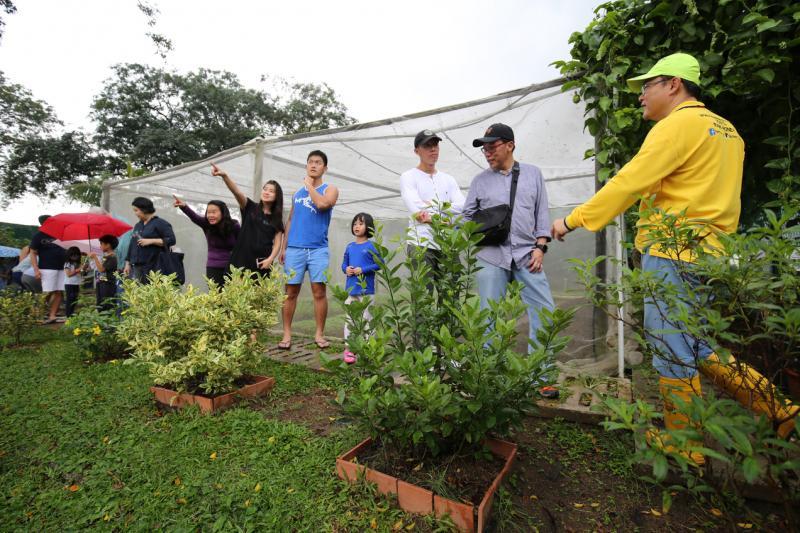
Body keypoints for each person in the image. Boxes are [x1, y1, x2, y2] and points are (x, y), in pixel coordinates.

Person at [551, 52, 795, 457]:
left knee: (671, 347)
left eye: (647, 86)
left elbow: (629, 182)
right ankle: (780, 409)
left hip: (674, 250)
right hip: (713, 254)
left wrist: (572, 220)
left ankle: (685, 446)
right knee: (693, 342)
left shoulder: (676, 126)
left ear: (674, 84)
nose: (641, 95)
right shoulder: (728, 132)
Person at [463, 123, 555, 358]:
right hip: (491, 256)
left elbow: (541, 213)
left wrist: (540, 247)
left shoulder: (533, 174)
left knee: (545, 313)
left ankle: (541, 373)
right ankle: (489, 373)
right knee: (489, 318)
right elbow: (466, 217)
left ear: (510, 145)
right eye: (484, 149)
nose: (487, 153)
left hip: (527, 254)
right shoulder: (479, 181)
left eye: (492, 147)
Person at [279, 150, 339, 350]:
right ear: (306, 166)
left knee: (319, 292)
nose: (313, 165)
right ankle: (286, 333)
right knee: (290, 292)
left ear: (325, 168)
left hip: (318, 250)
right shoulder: (297, 194)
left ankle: (319, 334)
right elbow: (290, 220)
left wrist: (309, 186)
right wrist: (284, 247)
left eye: (318, 162)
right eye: (310, 162)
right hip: (294, 249)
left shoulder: (330, 189)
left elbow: (322, 204)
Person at [400, 130, 465, 281]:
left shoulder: (449, 179)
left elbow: (463, 206)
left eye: (435, 145)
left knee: (452, 292)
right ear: (417, 151)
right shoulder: (408, 177)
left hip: (448, 244)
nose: (433, 149)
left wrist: (437, 206)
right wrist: (448, 220)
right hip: (421, 244)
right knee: (423, 293)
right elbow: (417, 211)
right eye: (427, 146)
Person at [213, 164, 284, 279]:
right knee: (237, 289)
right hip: (240, 261)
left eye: (271, 191)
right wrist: (225, 176)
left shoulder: (277, 219)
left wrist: (270, 259)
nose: (266, 192)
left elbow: (277, 243)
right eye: (265, 189)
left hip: (261, 264)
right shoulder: (250, 207)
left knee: (259, 290)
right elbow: (237, 192)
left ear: (277, 196)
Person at [173, 195, 241, 286]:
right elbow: (194, 217)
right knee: (215, 293)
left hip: (233, 268)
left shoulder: (234, 225)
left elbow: (242, 245)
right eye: (208, 212)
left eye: (214, 212)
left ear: (223, 212)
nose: (210, 215)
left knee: (232, 293)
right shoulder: (206, 225)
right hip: (213, 268)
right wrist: (184, 206)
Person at [341, 213, 381, 364]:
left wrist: (363, 269)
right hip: (351, 290)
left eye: (361, 223)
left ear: (368, 227)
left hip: (366, 291)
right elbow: (344, 264)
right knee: (349, 319)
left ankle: (368, 349)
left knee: (367, 319)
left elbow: (380, 263)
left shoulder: (372, 246)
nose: (356, 226)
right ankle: (349, 349)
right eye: (355, 223)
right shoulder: (350, 247)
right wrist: (346, 269)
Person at [123, 197, 177, 283]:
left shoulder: (160, 223)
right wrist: (127, 264)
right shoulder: (138, 225)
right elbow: (132, 244)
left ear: (144, 209)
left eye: (136, 210)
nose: (135, 213)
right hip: (137, 267)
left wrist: (151, 241)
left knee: (150, 289)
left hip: (154, 266)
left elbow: (171, 240)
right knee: (138, 289)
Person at [29, 215, 67, 323]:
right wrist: (36, 269)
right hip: (46, 268)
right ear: (45, 223)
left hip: (61, 267)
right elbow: (32, 252)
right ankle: (38, 315)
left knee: (59, 292)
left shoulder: (59, 234)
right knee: (47, 292)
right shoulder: (39, 236)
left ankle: (52, 315)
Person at [88, 235, 118, 312]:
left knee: (106, 305)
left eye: (101, 243)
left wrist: (95, 257)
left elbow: (101, 269)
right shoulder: (106, 257)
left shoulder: (112, 257)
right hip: (101, 282)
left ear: (108, 245)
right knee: (100, 304)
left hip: (108, 284)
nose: (100, 246)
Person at [63, 247, 83, 317]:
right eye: (73, 255)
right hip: (69, 284)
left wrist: (84, 269)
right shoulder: (67, 264)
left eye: (77, 255)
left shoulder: (77, 264)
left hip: (76, 284)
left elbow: (80, 273)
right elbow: (68, 274)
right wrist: (78, 270)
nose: (75, 257)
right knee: (70, 300)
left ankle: (71, 314)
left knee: (75, 300)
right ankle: (68, 315)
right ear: (69, 255)